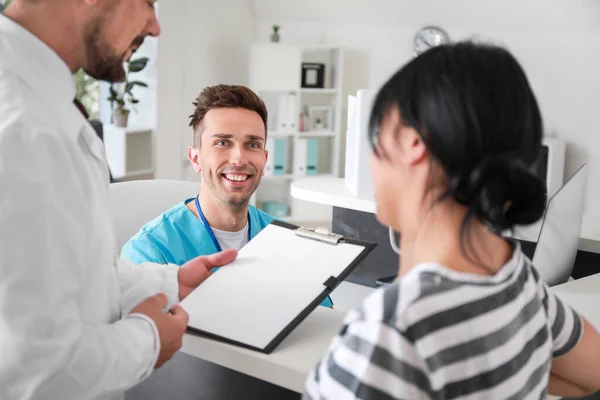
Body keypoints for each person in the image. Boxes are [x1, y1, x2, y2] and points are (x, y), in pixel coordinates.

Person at [303, 41, 600, 399]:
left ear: (413, 141)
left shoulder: (389, 332)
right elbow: (590, 373)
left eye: (376, 137)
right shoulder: (517, 279)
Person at [0, 2, 237, 399]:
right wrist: (147, 340)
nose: (155, 26)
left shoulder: (40, 103)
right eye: (147, 3)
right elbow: (36, 370)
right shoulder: (23, 130)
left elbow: (66, 274)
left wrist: (169, 282)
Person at [121, 84, 334, 308]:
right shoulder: (149, 252)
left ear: (265, 158)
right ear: (195, 159)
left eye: (252, 144)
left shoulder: (284, 239)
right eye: (222, 143)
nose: (239, 159)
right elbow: (144, 336)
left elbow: (322, 317)